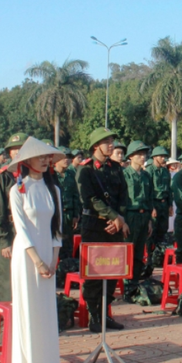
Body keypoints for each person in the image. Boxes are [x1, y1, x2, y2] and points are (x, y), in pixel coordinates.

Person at [7, 137, 62, 363]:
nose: (44, 160)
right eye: (39, 156)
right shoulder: (17, 190)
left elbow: (57, 228)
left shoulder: (54, 190)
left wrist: (53, 259)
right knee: (28, 308)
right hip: (26, 256)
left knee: (47, 309)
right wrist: (37, 261)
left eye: (47, 156)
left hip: (48, 255)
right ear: (26, 161)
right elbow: (22, 228)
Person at [75, 128, 129, 333]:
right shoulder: (86, 169)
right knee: (95, 273)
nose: (111, 145)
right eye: (106, 142)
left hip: (115, 226)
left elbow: (123, 196)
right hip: (94, 226)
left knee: (113, 271)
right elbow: (90, 199)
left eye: (112, 141)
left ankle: (106, 314)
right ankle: (94, 316)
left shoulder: (116, 168)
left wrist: (120, 218)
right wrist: (113, 216)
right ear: (95, 145)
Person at [0, 132, 28, 303]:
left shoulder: (34, 173)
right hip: (10, 230)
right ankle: (5, 317)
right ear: (9, 153)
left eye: (22, 148)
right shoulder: (3, 175)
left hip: (29, 229)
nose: (18, 152)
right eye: (14, 150)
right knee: (7, 277)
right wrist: (3, 240)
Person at [122, 141, 153, 292]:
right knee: (128, 251)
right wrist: (123, 221)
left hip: (143, 216)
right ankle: (126, 285)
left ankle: (134, 282)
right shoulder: (125, 174)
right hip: (130, 216)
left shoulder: (147, 176)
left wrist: (149, 221)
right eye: (139, 154)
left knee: (140, 253)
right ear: (131, 156)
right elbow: (121, 199)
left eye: (144, 154)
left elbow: (149, 198)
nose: (143, 157)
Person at [54, 147, 81, 259]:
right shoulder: (51, 175)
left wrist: (75, 214)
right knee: (55, 244)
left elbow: (75, 194)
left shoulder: (70, 174)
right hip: (55, 215)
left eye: (69, 157)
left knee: (68, 245)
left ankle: (66, 268)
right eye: (64, 157)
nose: (67, 160)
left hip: (68, 214)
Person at [147, 146, 172, 263]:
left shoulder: (165, 171)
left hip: (164, 203)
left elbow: (169, 189)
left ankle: (159, 257)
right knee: (152, 232)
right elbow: (148, 190)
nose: (163, 158)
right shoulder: (149, 171)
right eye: (161, 156)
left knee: (163, 230)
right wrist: (151, 207)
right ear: (154, 157)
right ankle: (150, 259)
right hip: (155, 203)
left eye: (164, 156)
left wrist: (170, 205)